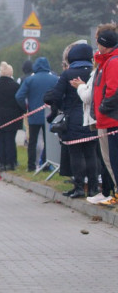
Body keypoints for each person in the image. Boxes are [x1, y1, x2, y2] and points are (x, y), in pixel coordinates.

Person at [44, 42, 97, 198]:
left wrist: (62, 107)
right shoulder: (96, 72)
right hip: (92, 118)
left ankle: (79, 187)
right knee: (91, 154)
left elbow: (55, 95)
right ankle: (93, 188)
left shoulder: (68, 74)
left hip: (73, 119)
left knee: (76, 154)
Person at [90, 27, 118, 204]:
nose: (97, 46)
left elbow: (114, 90)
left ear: (105, 45)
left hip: (110, 119)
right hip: (106, 119)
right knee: (109, 160)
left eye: (99, 43)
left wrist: (102, 108)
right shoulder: (105, 61)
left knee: (112, 160)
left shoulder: (113, 62)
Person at [15, 56, 55, 171]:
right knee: (48, 142)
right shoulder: (54, 79)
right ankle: (46, 164)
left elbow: (19, 96)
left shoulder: (30, 80)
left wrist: (26, 107)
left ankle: (31, 165)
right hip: (49, 115)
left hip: (34, 115)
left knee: (32, 141)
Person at [0, 61, 24, 171]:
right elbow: (19, 101)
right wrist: (22, 112)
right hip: (12, 117)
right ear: (11, 74)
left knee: (0, 140)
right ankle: (11, 163)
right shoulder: (16, 86)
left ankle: (1, 162)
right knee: (11, 140)